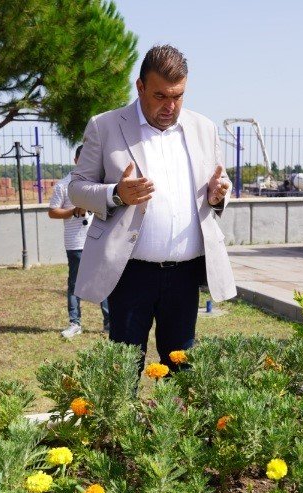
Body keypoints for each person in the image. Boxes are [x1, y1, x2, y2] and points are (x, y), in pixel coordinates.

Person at [69, 44, 236, 372]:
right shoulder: (105, 126)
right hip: (130, 273)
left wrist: (219, 195)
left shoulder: (204, 128)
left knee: (182, 367)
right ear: (140, 87)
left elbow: (220, 183)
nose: (170, 106)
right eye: (160, 96)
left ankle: (177, 423)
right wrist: (116, 194)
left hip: (185, 274)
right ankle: (122, 424)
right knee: (124, 368)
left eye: (179, 96)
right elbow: (77, 189)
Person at [48, 145, 110, 338]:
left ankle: (109, 323)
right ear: (76, 161)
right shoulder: (63, 185)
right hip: (76, 242)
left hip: (98, 240)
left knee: (103, 282)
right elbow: (52, 211)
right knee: (75, 284)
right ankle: (75, 323)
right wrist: (73, 211)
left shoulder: (98, 183)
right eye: (83, 159)